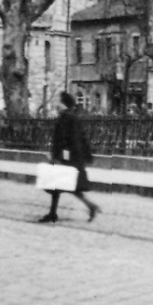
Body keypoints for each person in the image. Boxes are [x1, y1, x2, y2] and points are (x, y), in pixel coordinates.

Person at [40, 92, 100, 223]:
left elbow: (65, 140)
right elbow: (83, 138)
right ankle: (54, 212)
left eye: (58, 101)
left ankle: (90, 206)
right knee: (61, 186)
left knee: (63, 186)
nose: (56, 104)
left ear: (63, 104)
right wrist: (87, 155)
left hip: (67, 159)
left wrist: (58, 157)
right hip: (71, 158)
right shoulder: (70, 117)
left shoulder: (67, 119)